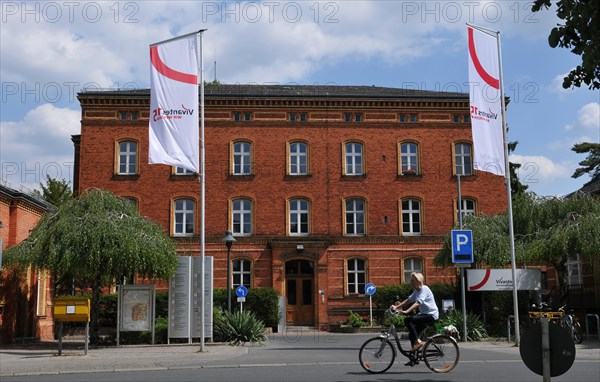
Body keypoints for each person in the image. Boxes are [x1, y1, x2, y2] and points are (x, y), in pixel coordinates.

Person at [391, 272, 439, 352]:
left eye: (413, 281)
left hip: (431, 315)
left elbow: (418, 303)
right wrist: (396, 307)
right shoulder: (416, 291)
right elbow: (408, 300)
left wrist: (407, 311)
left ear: (419, 282)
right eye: (411, 280)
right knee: (412, 334)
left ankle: (418, 341)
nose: (411, 282)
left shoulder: (424, 289)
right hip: (424, 315)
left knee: (408, 320)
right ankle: (414, 358)